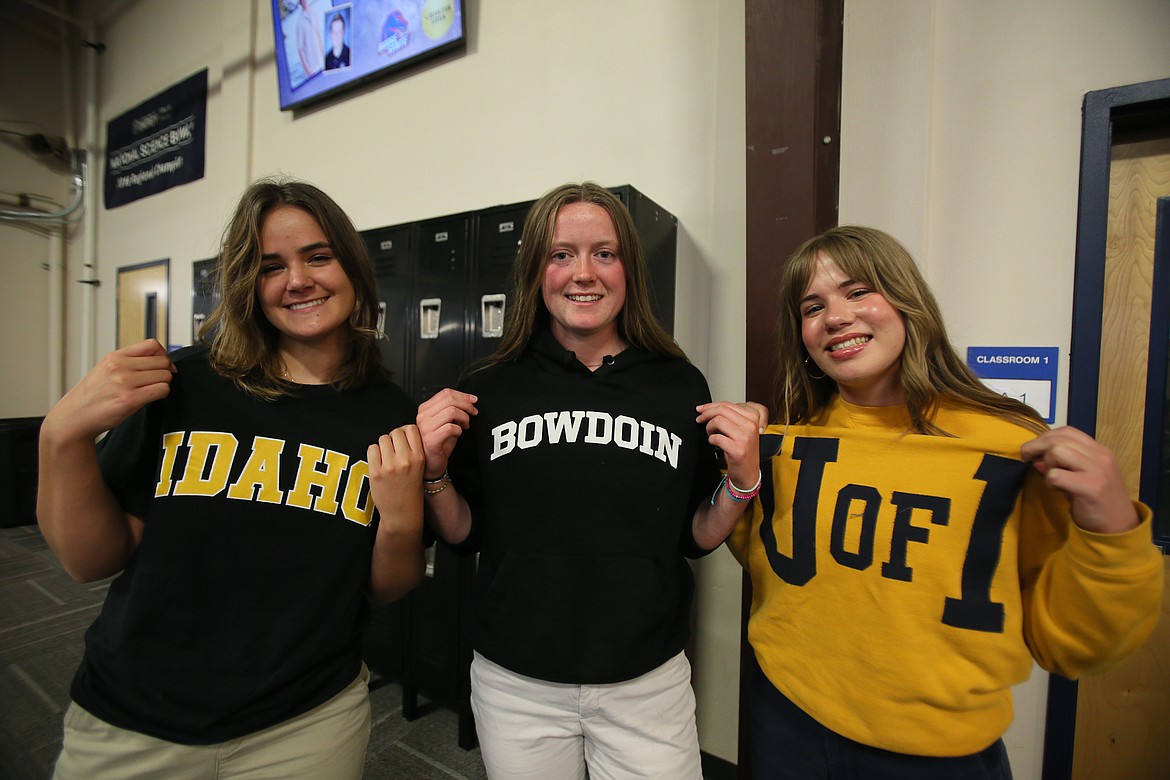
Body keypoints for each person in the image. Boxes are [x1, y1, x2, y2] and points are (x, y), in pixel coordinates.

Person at [727, 225, 1164, 779]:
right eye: (812, 307)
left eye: (859, 291)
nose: (835, 317)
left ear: (909, 301)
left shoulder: (1009, 445)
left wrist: (1113, 531)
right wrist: (740, 474)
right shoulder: (792, 441)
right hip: (784, 724)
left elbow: (1075, 646)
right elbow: (768, 563)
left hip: (937, 758)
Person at [37, 178, 427, 779]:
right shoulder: (183, 384)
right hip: (135, 717)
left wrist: (401, 518)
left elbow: (389, 589)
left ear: (352, 266)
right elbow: (91, 561)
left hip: (308, 723)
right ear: (250, 283)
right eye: (271, 266)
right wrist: (60, 439)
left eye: (318, 256)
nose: (298, 279)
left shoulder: (389, 414)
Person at [417, 181, 762, 779]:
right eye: (561, 254)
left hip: (646, 683)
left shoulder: (678, 385)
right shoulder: (489, 385)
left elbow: (696, 536)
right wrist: (435, 473)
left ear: (629, 269)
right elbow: (463, 534)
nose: (584, 273)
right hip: (516, 684)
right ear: (535, 271)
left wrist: (742, 481)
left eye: (604, 253)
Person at [296, 0, 323, 80]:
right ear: (300, 2)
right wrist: (308, 70)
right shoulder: (299, 23)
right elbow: (300, 49)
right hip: (312, 67)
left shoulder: (313, 13)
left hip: (321, 61)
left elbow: (318, 34)